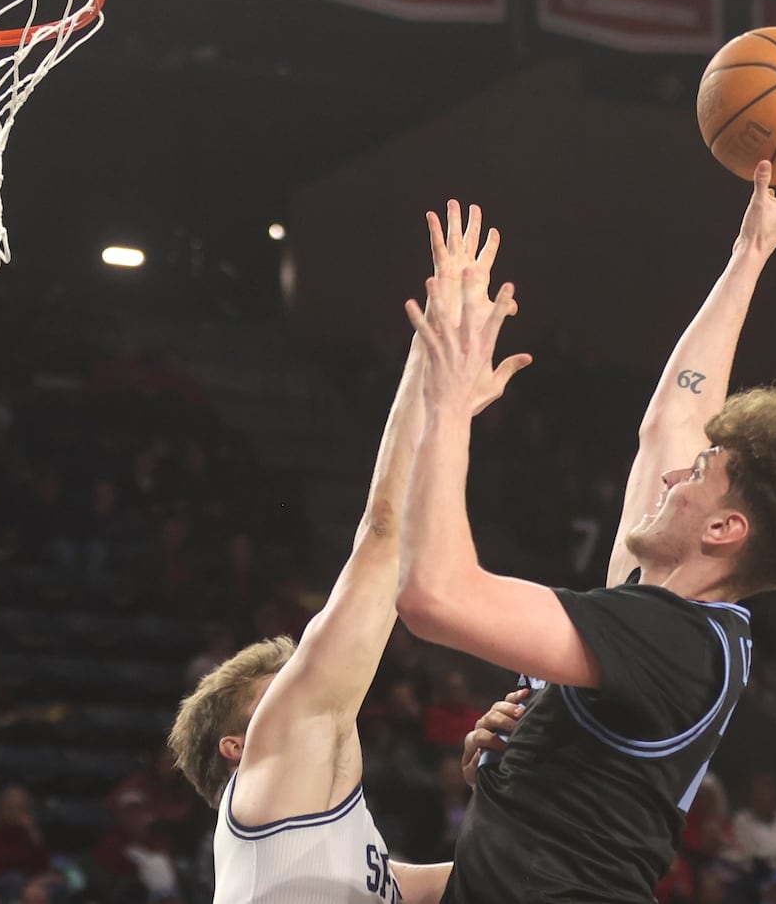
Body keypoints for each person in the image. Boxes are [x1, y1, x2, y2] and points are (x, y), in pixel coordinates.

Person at [396, 162, 776, 903]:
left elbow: (432, 593)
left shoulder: (675, 640)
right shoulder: (672, 621)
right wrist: (750, 252)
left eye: (699, 472)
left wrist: (450, 404)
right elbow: (673, 421)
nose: (671, 475)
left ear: (723, 527)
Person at [166, 204, 527, 903]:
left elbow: (452, 888)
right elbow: (383, 530)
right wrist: (438, 362)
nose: (311, 672)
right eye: (284, 680)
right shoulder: (279, 753)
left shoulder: (330, 848)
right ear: (239, 746)